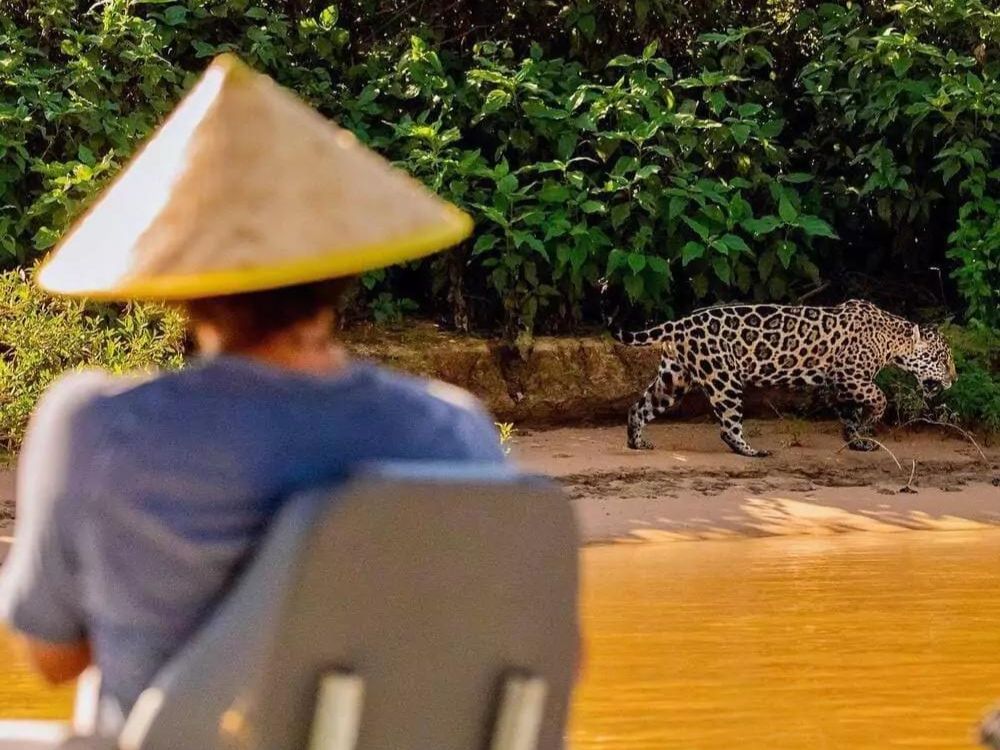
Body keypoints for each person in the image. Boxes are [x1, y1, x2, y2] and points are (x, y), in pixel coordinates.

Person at [0, 54, 503, 723]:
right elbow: (531, 659)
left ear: (179, 275)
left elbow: (52, 658)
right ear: (346, 260)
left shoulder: (95, 425)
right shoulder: (452, 431)